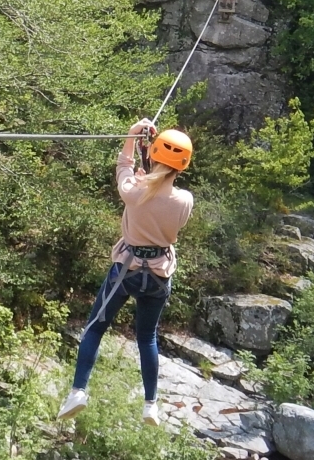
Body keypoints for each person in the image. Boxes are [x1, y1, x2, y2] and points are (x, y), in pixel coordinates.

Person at [56, 118, 194, 426]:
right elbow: (162, 201)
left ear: (155, 155)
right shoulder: (185, 200)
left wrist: (132, 136)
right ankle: (150, 405)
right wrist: (148, 176)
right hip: (158, 275)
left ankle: (78, 391)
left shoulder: (134, 191)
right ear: (183, 165)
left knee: (95, 327)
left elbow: (123, 168)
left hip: (126, 270)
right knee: (147, 337)